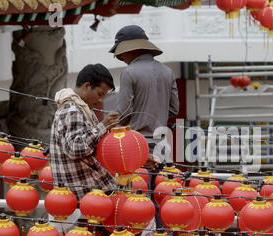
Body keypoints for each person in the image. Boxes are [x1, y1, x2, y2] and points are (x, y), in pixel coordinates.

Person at [50, 63, 120, 200]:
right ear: (87, 86)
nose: (100, 100)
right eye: (100, 94)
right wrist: (103, 125)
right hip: (82, 196)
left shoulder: (83, 109)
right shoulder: (71, 110)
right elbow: (75, 148)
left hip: (90, 192)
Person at [109, 25, 180, 153]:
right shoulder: (168, 71)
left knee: (138, 174)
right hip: (162, 144)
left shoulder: (129, 72)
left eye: (121, 54)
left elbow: (124, 111)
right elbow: (174, 109)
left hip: (137, 143)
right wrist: (156, 116)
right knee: (161, 173)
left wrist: (110, 122)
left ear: (129, 50)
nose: (122, 59)